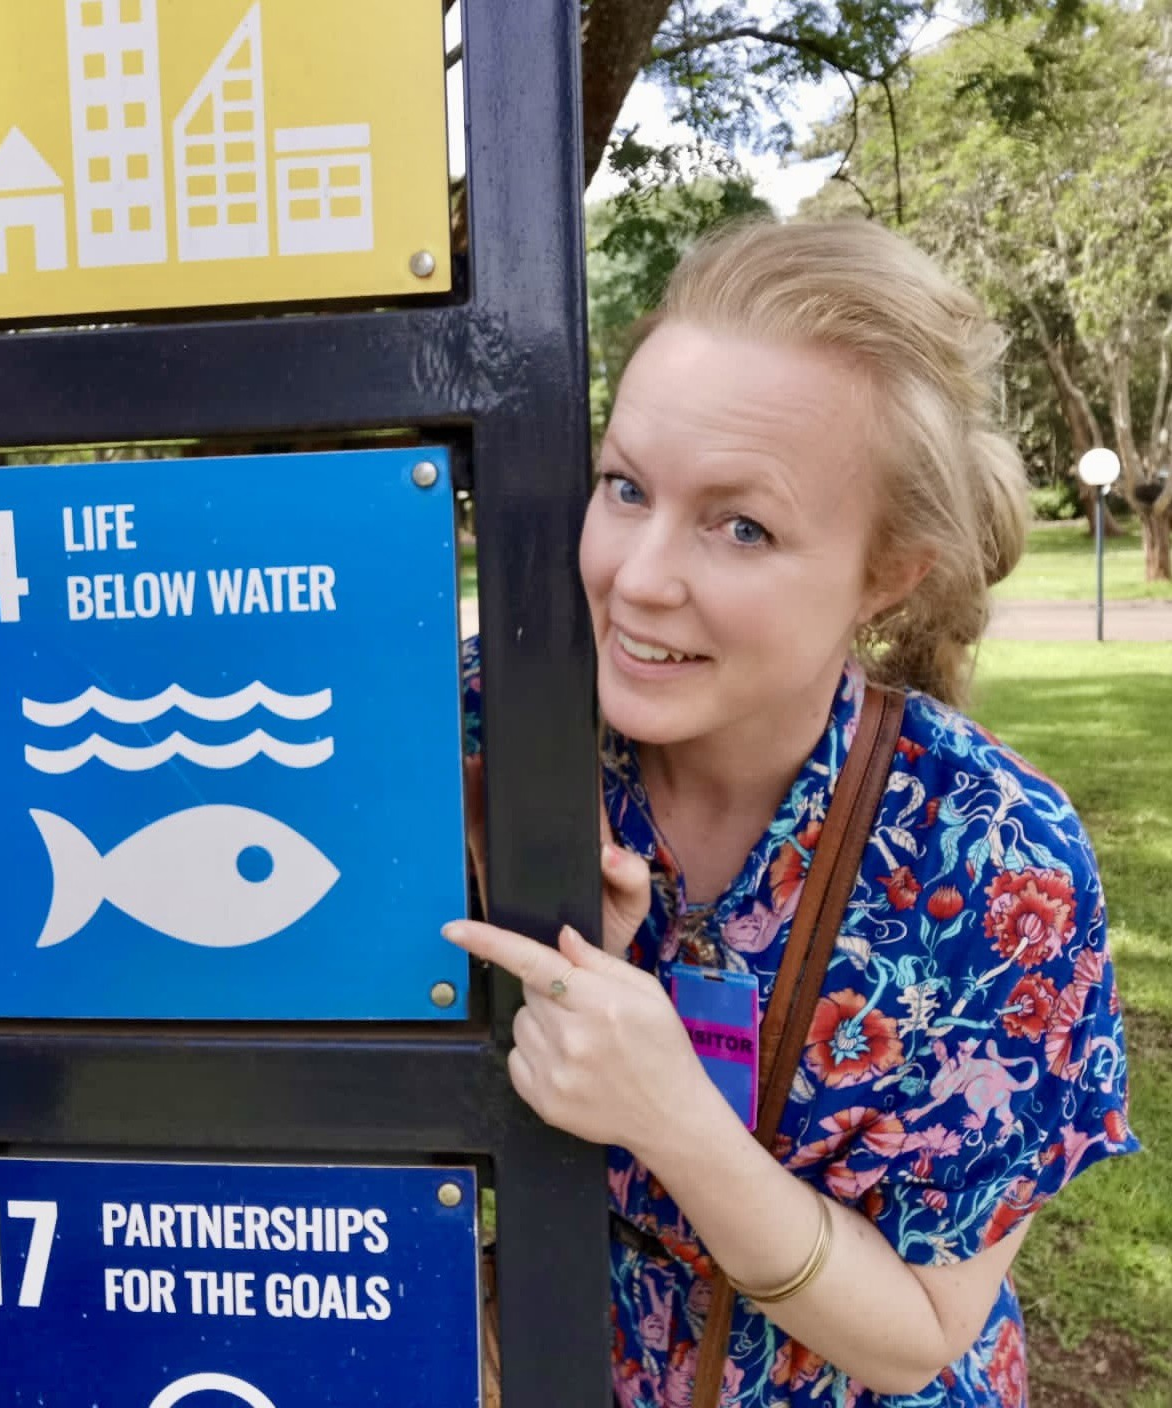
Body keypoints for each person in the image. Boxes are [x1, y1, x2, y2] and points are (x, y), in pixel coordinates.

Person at [442, 218, 1139, 1407]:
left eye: (742, 526)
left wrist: (672, 1116)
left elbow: (918, 1335)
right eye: (626, 487)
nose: (638, 577)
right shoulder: (483, 727)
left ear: (887, 574)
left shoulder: (996, 858)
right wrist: (485, 929)